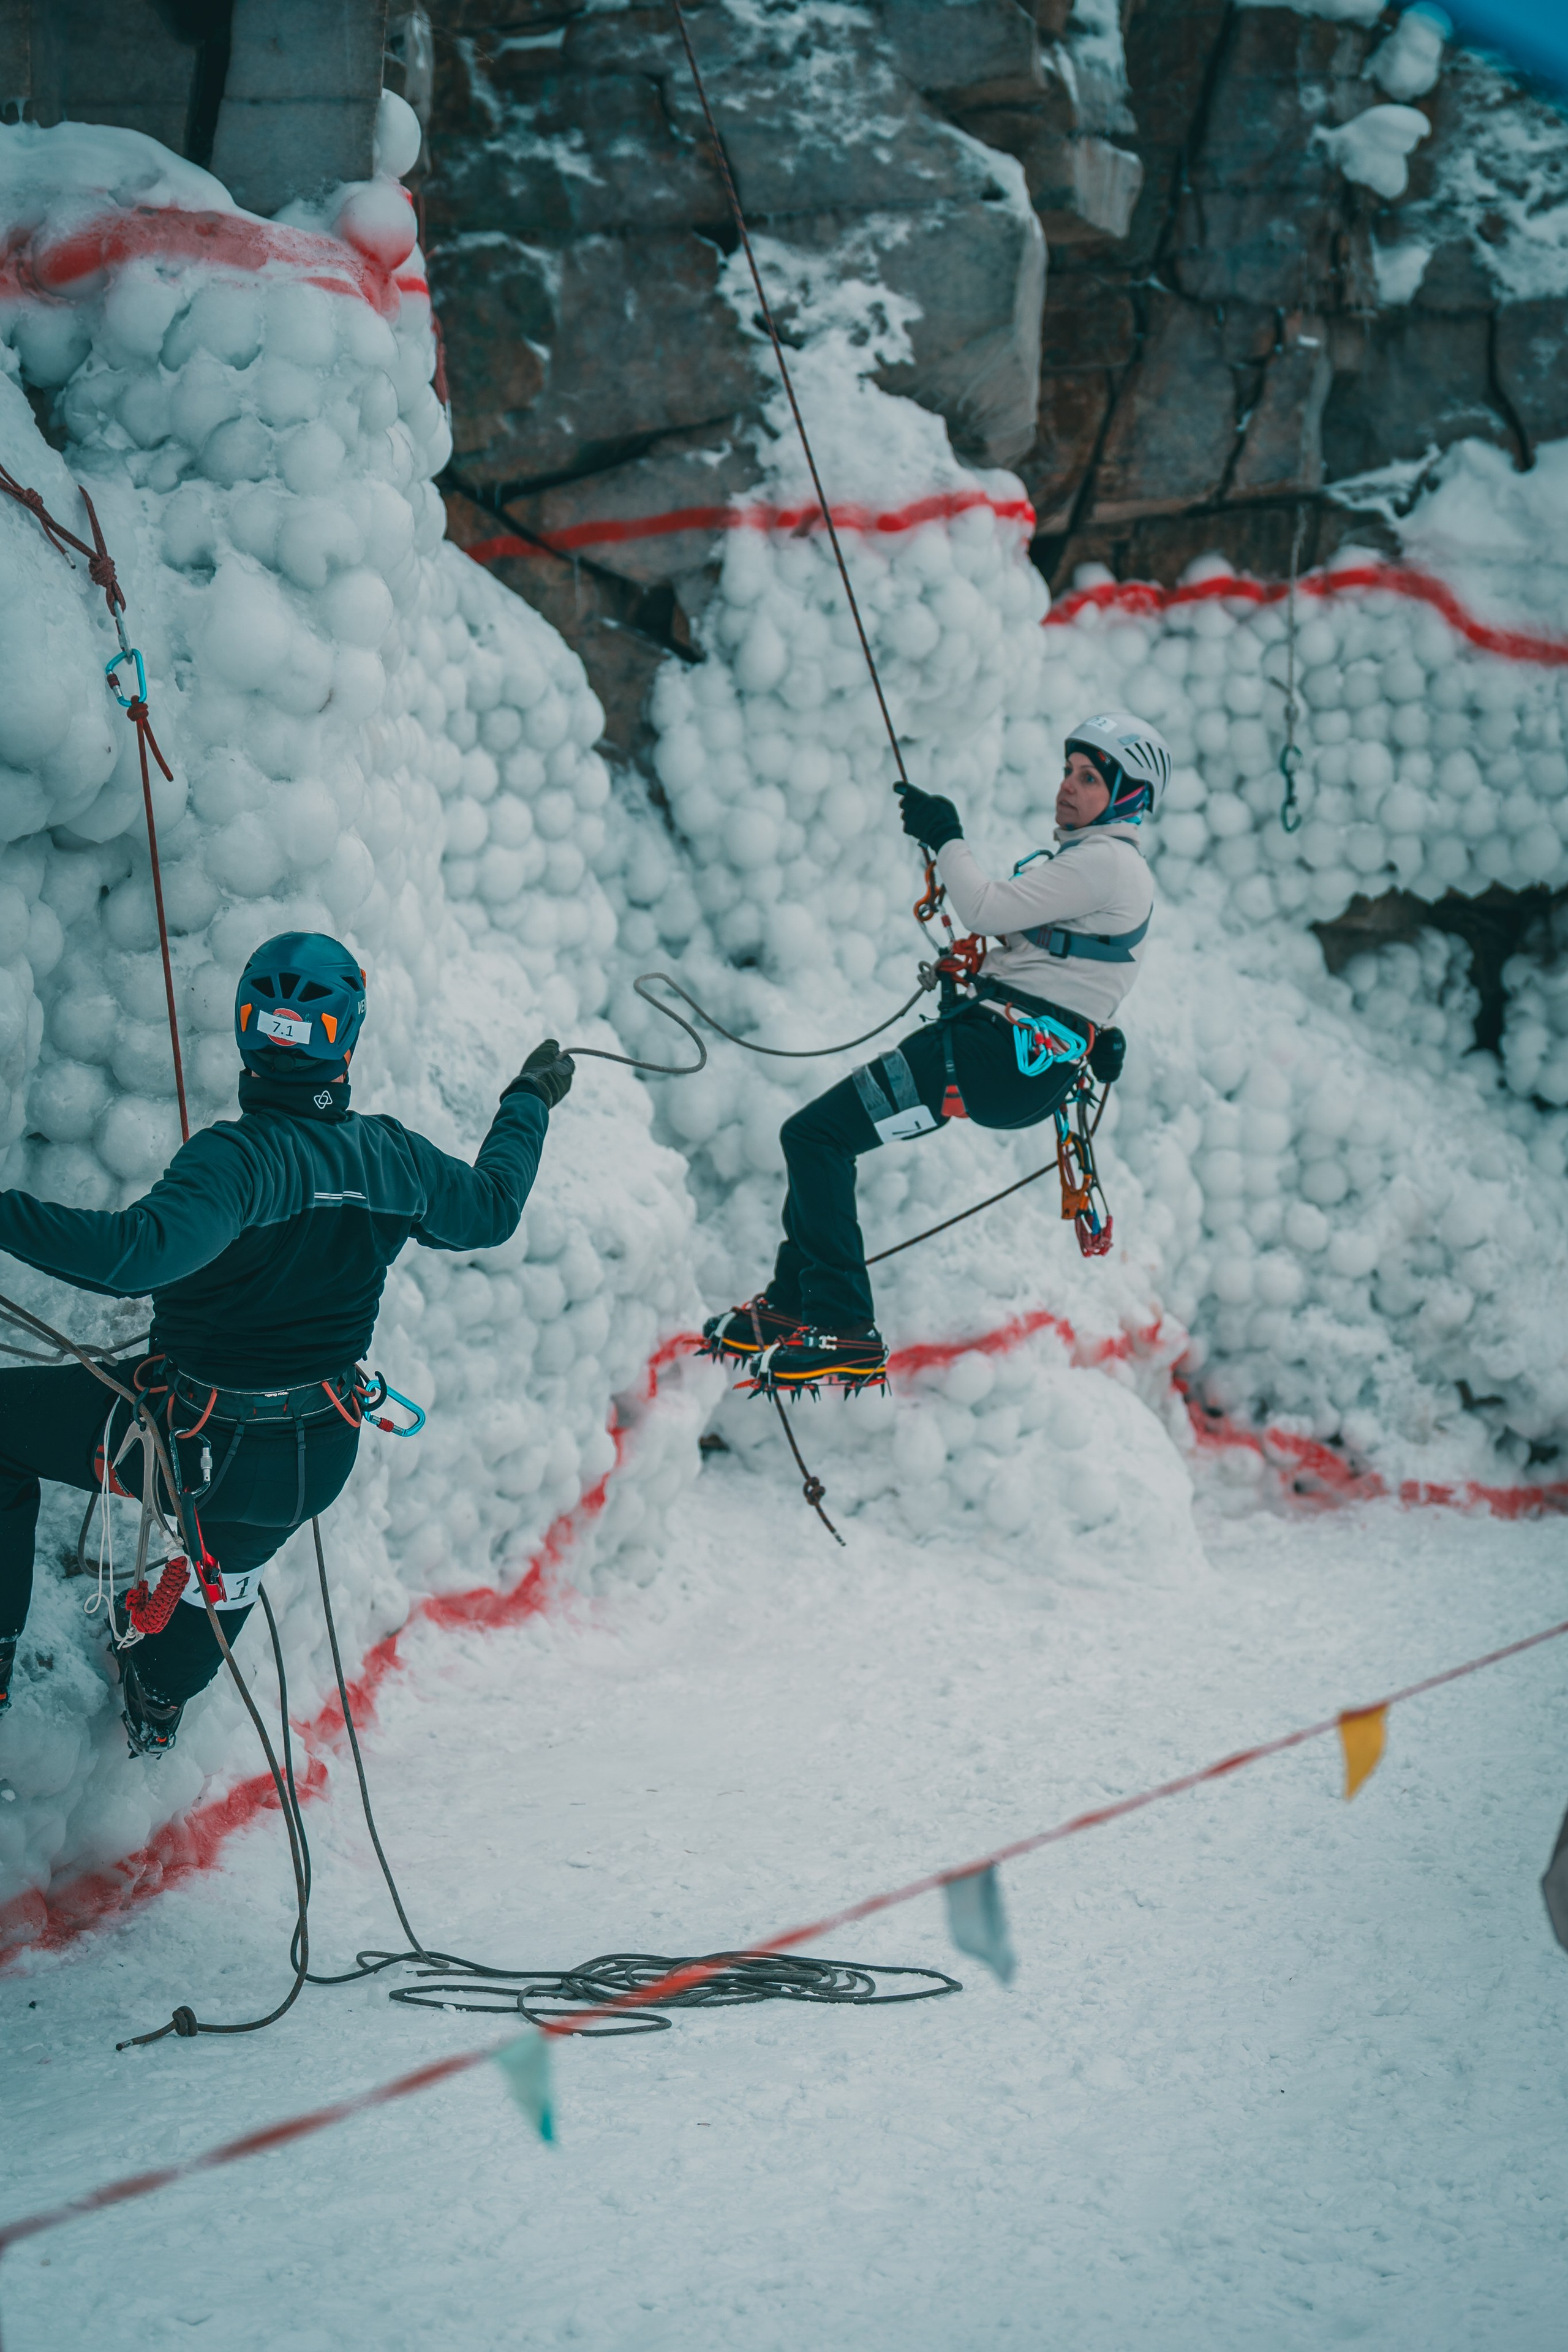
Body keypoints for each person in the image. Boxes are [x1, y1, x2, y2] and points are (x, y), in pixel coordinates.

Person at [0, 932, 575, 1756]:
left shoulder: (237, 1162)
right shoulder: (394, 1158)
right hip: (311, 1455)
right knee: (226, 1566)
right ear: (349, 1037)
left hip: (194, 1438)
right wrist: (529, 1100)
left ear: (246, 1029)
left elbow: (135, 1257)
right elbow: (490, 1209)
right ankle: (157, 1698)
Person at [703, 714, 1171, 1393]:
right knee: (818, 1139)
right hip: (1010, 1059)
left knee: (815, 1138)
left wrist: (945, 833)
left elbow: (982, 906)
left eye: (1090, 778)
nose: (1068, 787)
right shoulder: (1102, 869)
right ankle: (794, 1306)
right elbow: (1075, 966)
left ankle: (841, 1328)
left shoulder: (1105, 862)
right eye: (1069, 770)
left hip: (996, 1053)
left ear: (1125, 797)